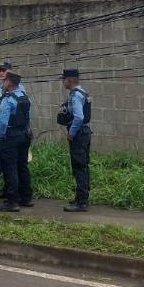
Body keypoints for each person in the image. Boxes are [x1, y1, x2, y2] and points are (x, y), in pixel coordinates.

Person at [0, 71, 34, 212]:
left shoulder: (7, 99)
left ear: (10, 82)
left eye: (4, 80)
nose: (2, 83)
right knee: (22, 166)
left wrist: (1, 136)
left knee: (10, 167)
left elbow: (3, 122)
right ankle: (27, 198)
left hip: (10, 136)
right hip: (24, 135)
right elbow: (28, 118)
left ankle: (12, 201)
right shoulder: (25, 97)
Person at [61, 68, 92, 212]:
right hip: (84, 133)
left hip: (79, 134)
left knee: (79, 167)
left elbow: (78, 117)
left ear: (70, 80)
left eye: (64, 79)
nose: (63, 82)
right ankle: (81, 197)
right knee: (81, 166)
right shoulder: (81, 92)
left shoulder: (76, 96)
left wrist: (71, 133)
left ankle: (81, 202)